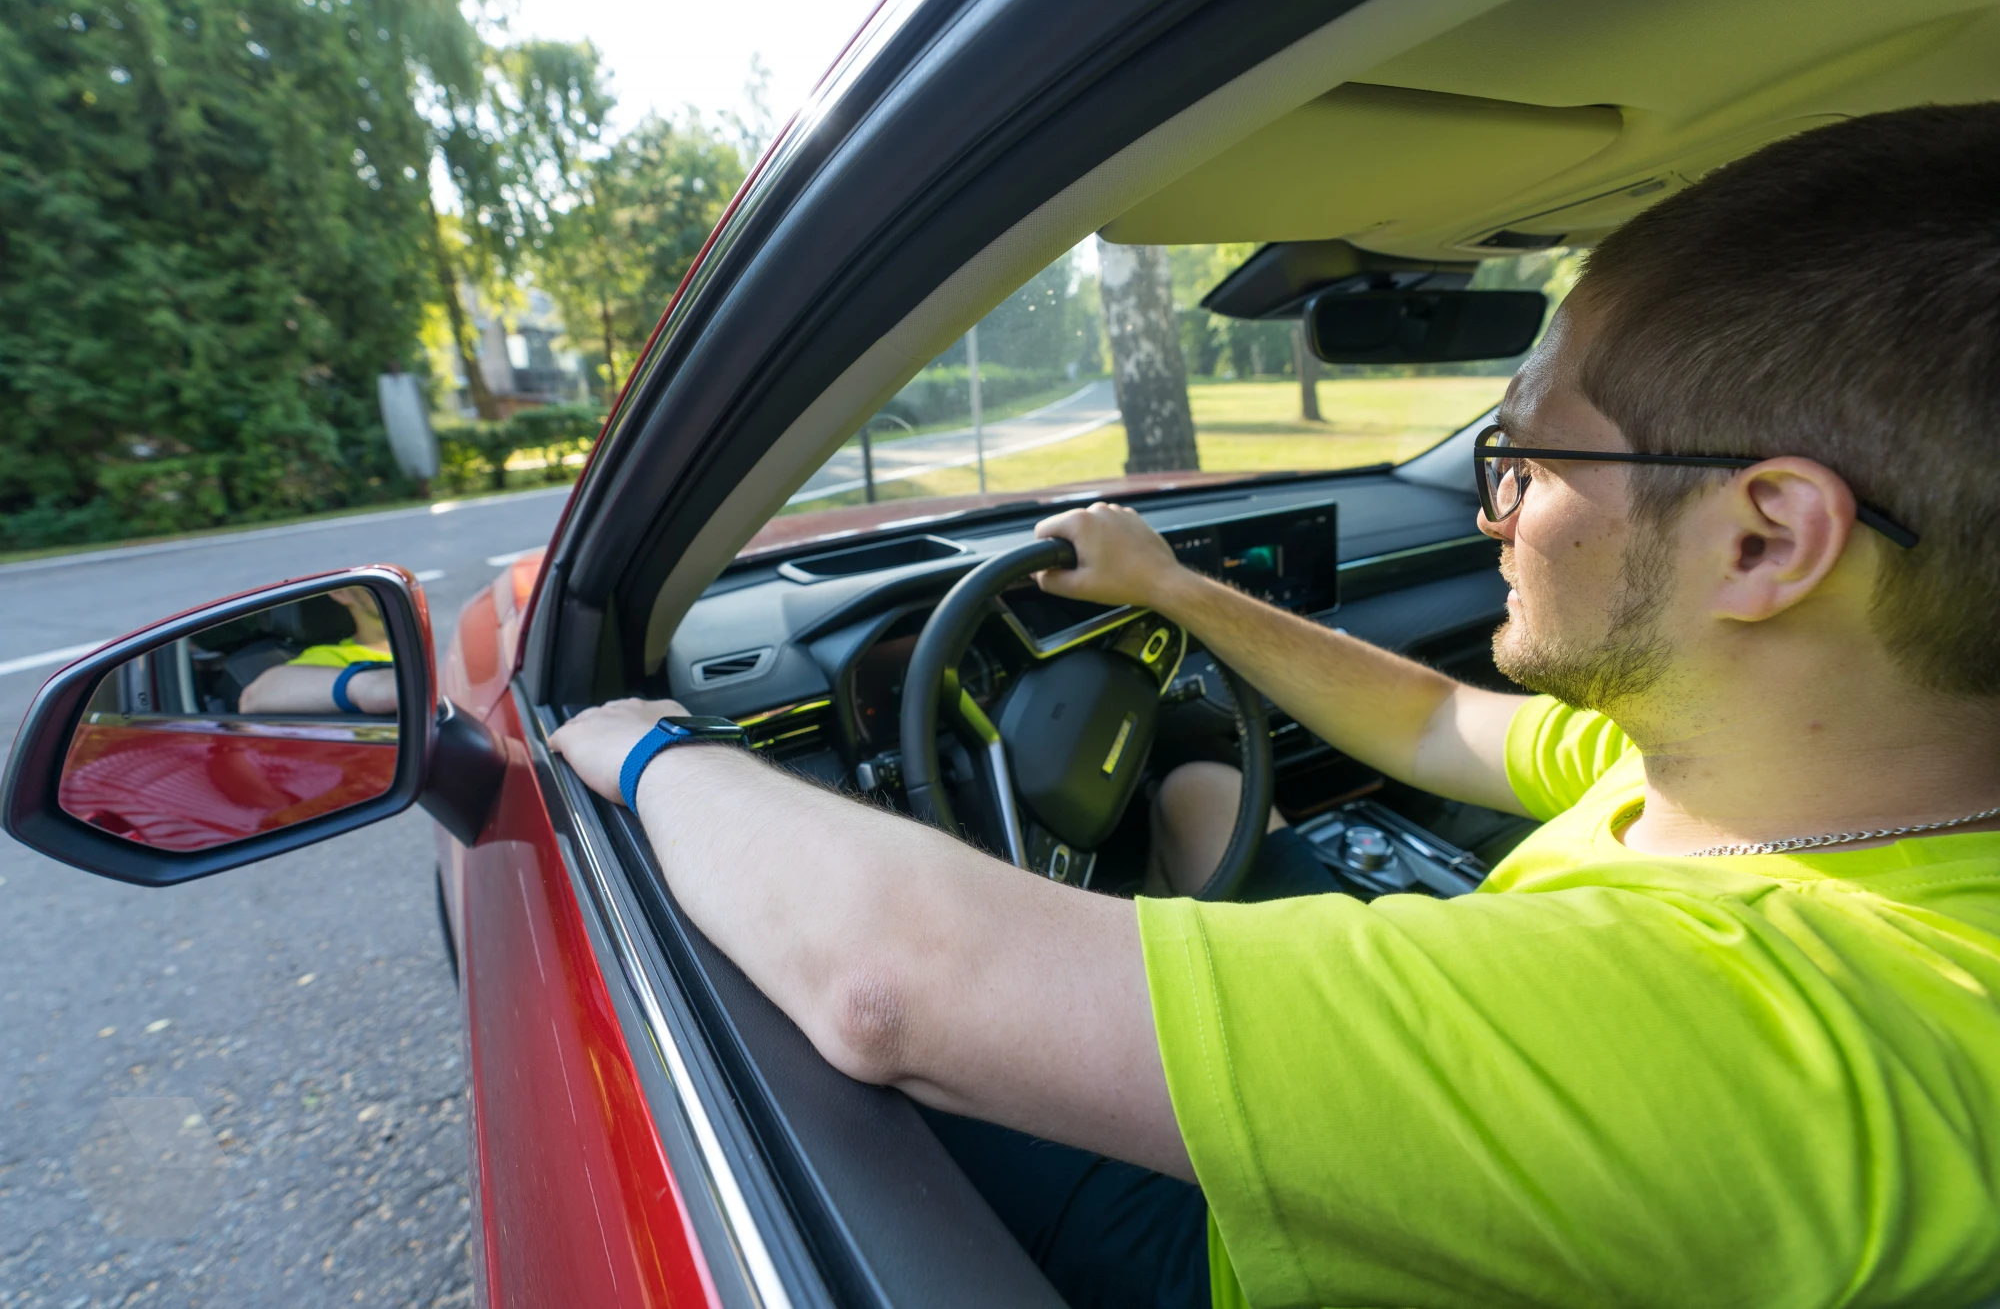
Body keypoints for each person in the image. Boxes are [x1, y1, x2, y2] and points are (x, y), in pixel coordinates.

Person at [550, 104, 2000, 1308]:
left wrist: (639, 739)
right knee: (1205, 813)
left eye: (1531, 455)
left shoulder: (1776, 1039)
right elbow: (1440, 729)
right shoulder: (1784, 775)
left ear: (1761, 541)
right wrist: (1177, 593)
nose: (1498, 512)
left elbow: (890, 982)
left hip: (1233, 1265)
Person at [238, 586, 397, 715]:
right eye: (378, 583)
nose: (399, 586)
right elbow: (253, 697)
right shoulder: (331, 657)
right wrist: (370, 685)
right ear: (340, 592)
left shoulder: (419, 639)